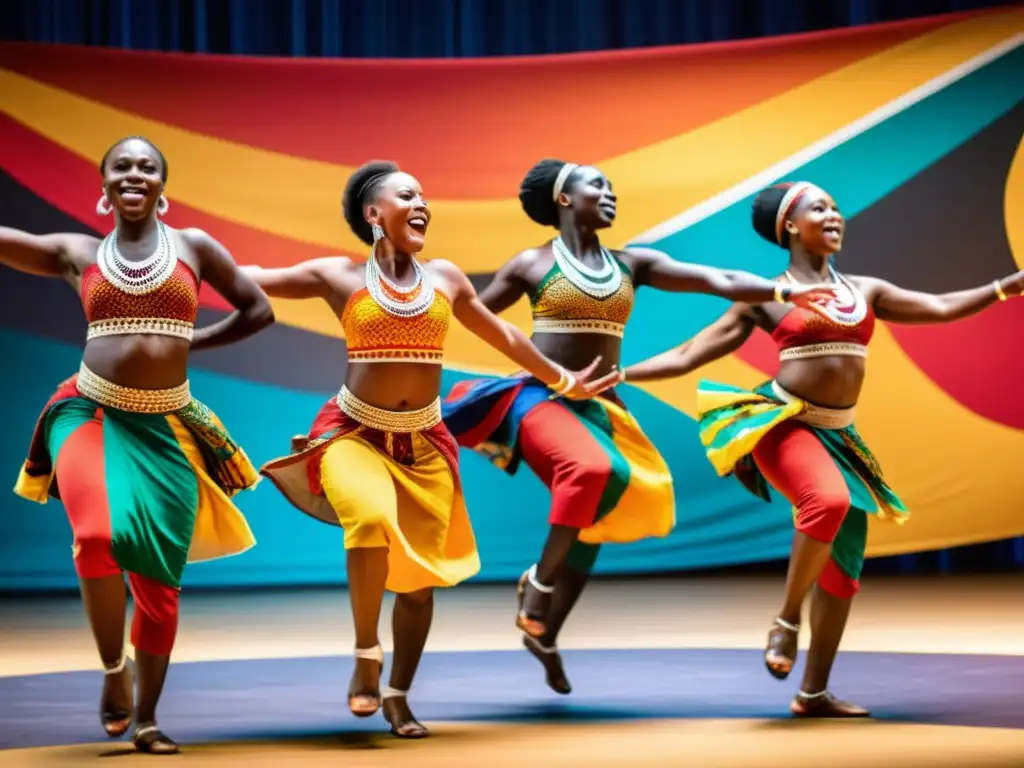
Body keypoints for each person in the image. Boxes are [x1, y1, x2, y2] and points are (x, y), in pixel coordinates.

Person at [609, 180, 1024, 716]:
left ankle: (813, 693)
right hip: (783, 424)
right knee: (824, 502)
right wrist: (622, 373)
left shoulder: (866, 290)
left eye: (836, 207)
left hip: (839, 434)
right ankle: (785, 620)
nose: (834, 215)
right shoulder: (763, 297)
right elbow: (690, 353)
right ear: (789, 225)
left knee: (843, 567)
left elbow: (941, 307)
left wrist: (1007, 287)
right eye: (819, 208)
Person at [440, 159, 837, 694]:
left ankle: (545, 635)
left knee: (602, 513)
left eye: (612, 187)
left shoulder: (633, 264)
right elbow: (473, 316)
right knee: (588, 469)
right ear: (564, 199)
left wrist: (782, 293)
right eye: (596, 185)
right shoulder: (531, 265)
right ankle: (538, 582)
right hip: (540, 395)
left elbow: (717, 280)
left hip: (599, 405)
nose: (609, 194)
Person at [251, 161, 601, 738]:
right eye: (407, 194)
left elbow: (505, 335)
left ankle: (398, 694)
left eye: (424, 195)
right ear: (373, 214)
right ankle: (367, 654)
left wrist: (562, 379)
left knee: (416, 584)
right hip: (351, 432)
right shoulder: (337, 275)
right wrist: (166, 254)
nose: (422, 203)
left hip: (424, 444)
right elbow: (249, 275)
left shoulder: (444, 279)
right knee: (365, 521)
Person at [5, 136, 273, 753]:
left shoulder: (197, 248)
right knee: (97, 537)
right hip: (87, 409)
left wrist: (187, 342)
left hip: (168, 424)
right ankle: (111, 671)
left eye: (145, 167)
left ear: (161, 186)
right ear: (103, 188)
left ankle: (148, 717)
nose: (133, 174)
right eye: (120, 167)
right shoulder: (77, 252)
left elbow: (257, 311)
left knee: (158, 584)